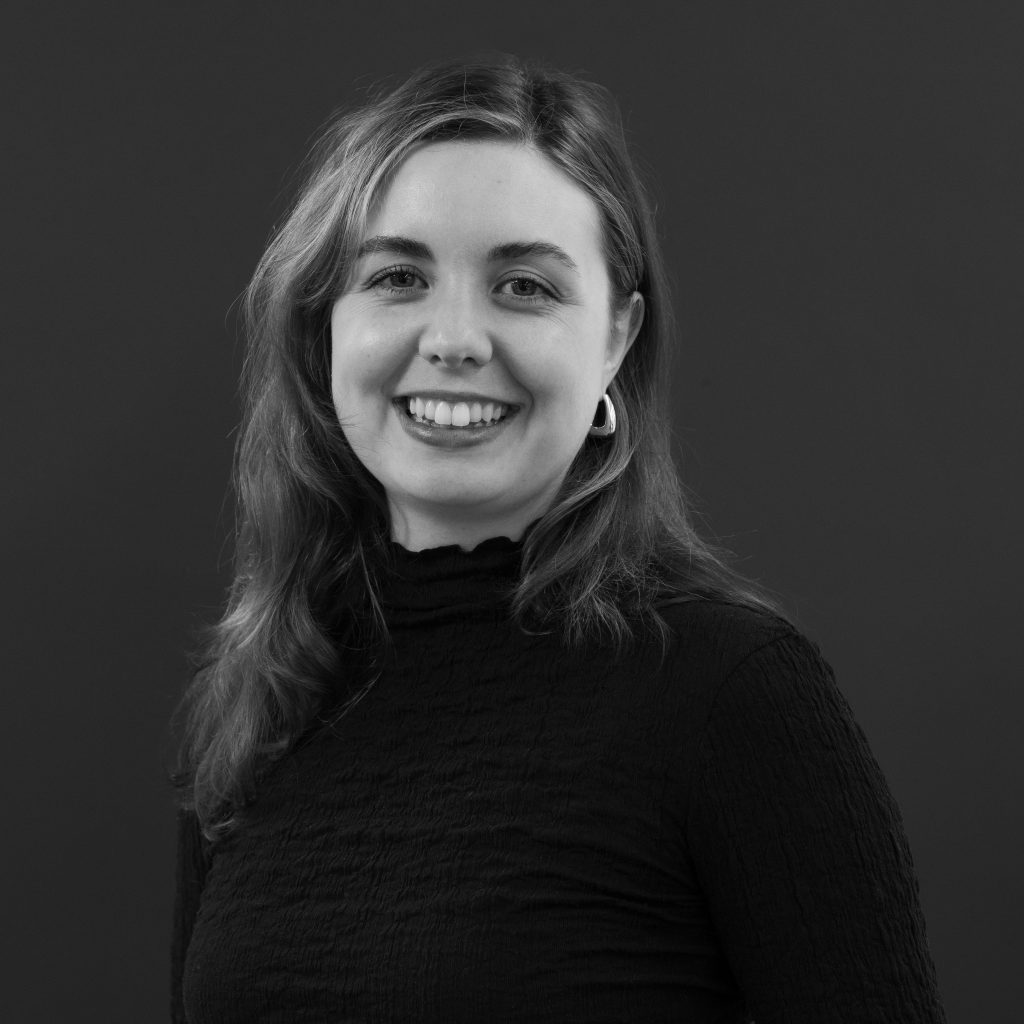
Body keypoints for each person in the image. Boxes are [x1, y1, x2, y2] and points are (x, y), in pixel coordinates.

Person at [169, 56, 946, 1023]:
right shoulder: (267, 698)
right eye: (398, 277)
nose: (453, 338)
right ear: (325, 322)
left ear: (616, 337)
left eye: (524, 286)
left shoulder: (729, 692)